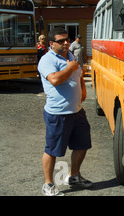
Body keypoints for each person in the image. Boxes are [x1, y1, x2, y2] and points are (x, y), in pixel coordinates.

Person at [38, 28, 92, 196]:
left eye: (67, 39)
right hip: (58, 113)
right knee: (53, 150)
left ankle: (74, 176)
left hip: (77, 111)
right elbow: (54, 80)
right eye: (61, 41)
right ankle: (48, 184)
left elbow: (79, 75)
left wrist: (83, 90)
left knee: (82, 145)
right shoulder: (46, 60)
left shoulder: (70, 56)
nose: (66, 43)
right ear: (51, 44)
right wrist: (70, 67)